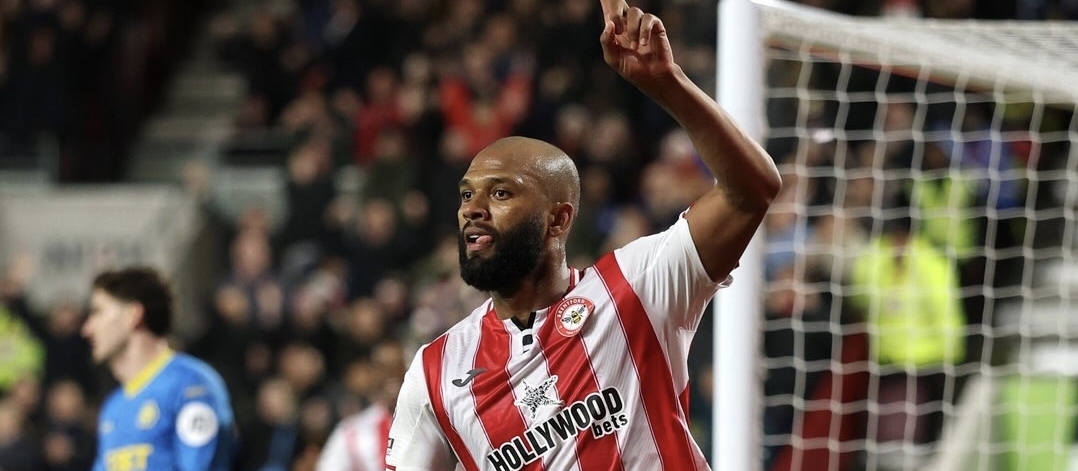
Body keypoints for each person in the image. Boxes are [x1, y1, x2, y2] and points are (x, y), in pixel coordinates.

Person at [384, 1, 781, 470]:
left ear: (558, 220)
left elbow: (750, 192)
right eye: (467, 194)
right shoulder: (436, 371)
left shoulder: (638, 287)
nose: (473, 209)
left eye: (501, 193)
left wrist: (667, 84)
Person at [82, 266, 236, 471]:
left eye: (97, 312)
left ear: (133, 315)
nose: (87, 329)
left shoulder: (191, 386)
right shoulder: (113, 408)